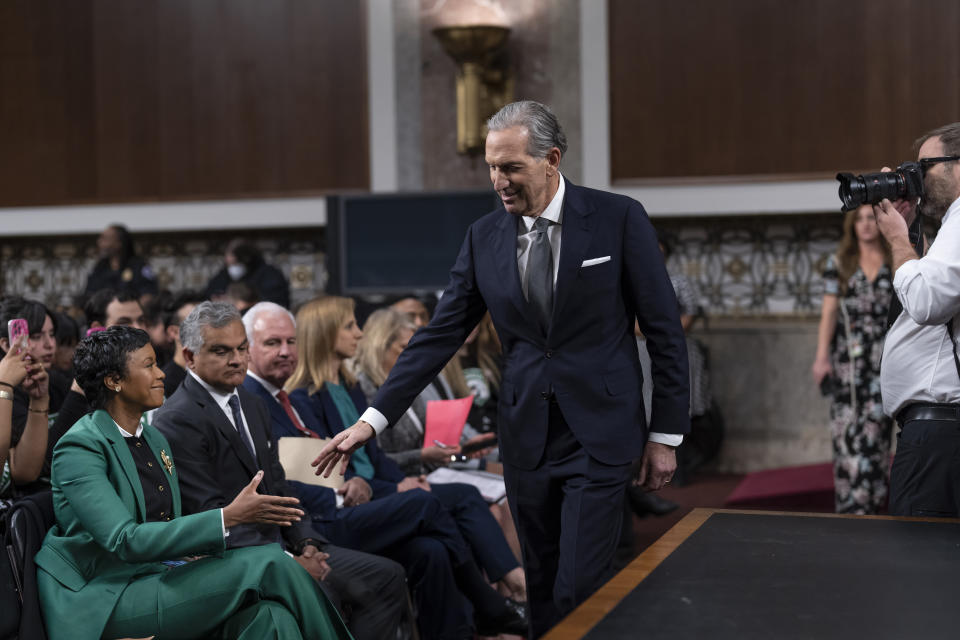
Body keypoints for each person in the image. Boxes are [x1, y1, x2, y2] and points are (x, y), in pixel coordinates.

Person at [315, 100, 690, 638]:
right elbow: (438, 336)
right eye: (492, 167)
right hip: (526, 438)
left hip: (602, 435)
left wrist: (665, 434)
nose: (498, 181)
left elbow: (665, 333)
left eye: (510, 167)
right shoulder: (483, 237)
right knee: (540, 588)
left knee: (580, 585)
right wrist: (369, 420)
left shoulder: (619, 218)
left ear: (551, 159)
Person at [34, 326, 349, 640]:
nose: (161, 374)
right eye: (149, 365)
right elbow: (124, 540)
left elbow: (167, 522)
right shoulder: (80, 447)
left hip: (161, 575)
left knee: (271, 617)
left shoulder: (154, 437)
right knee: (269, 562)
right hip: (109, 596)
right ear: (114, 381)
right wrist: (230, 516)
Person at [242, 301, 526, 639]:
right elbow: (296, 478)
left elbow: (356, 460)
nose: (286, 351)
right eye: (273, 343)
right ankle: (494, 601)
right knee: (430, 503)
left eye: (291, 342)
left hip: (345, 498)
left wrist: (391, 481)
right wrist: (377, 488)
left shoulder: (308, 392)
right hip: (323, 517)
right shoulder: (276, 397)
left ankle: (467, 627)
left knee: (431, 550)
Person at [152, 301, 407, 640]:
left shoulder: (253, 403)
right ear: (189, 357)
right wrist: (289, 562)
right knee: (324, 595)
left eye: (242, 349)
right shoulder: (178, 418)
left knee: (387, 576)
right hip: (238, 561)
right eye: (221, 351)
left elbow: (280, 485)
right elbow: (211, 517)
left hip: (282, 545)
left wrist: (307, 543)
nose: (237, 359)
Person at [873, 122, 960, 517]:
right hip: (938, 429)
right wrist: (908, 230)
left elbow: (926, 301)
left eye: (924, 168)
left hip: (940, 432)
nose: (916, 180)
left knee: (917, 562)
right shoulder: (948, 227)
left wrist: (894, 239)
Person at [812, 204, 893, 514]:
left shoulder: (893, 260)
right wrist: (821, 357)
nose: (866, 224)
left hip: (883, 363)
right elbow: (829, 312)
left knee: (875, 438)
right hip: (847, 364)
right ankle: (848, 511)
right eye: (859, 219)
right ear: (852, 225)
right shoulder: (840, 263)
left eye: (871, 217)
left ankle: (872, 506)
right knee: (846, 435)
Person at [206, 238, 290, 308]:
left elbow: (275, 302)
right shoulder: (223, 275)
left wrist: (245, 302)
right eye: (231, 263)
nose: (234, 267)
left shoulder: (270, 275)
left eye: (237, 262)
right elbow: (211, 295)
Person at [83, 223, 158, 300]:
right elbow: (89, 293)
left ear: (118, 243)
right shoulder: (100, 267)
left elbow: (149, 294)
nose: (99, 242)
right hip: (103, 310)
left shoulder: (138, 266)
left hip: (130, 309)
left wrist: (132, 309)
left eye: (105, 239)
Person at [161, 290, 205, 397]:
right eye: (196, 322)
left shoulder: (215, 374)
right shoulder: (164, 384)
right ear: (174, 332)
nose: (206, 328)